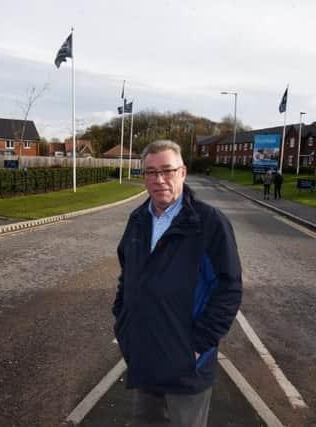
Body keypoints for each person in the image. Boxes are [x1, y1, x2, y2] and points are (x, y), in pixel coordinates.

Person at [113, 140, 242, 427]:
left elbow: (229, 290)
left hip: (186, 363)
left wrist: (197, 345)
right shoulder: (137, 219)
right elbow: (127, 274)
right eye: (150, 172)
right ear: (144, 176)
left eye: (167, 170)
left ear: (182, 172)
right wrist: (123, 325)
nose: (159, 180)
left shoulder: (210, 223)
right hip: (144, 356)